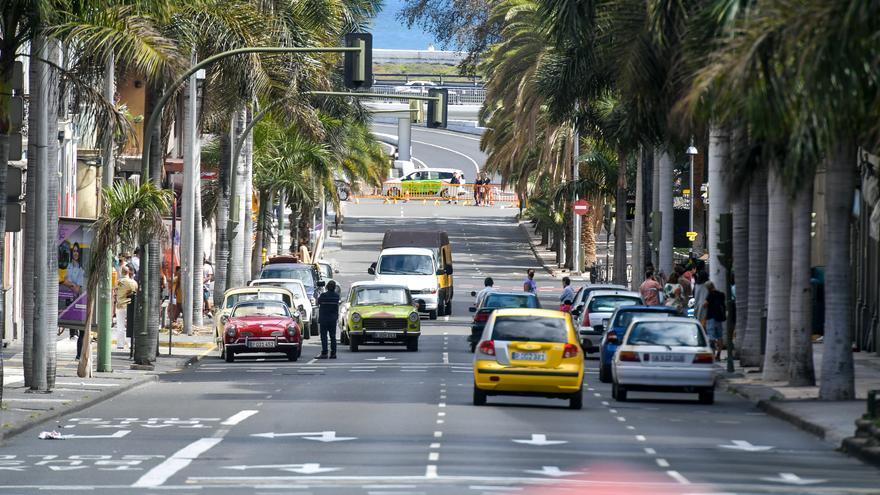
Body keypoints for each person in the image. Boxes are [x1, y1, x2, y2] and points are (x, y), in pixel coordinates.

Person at [115, 264, 138, 350]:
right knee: (131, 325)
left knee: (120, 326)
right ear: (129, 272)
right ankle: (131, 343)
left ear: (121, 272)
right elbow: (136, 292)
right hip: (130, 306)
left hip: (120, 306)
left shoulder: (118, 282)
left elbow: (115, 292)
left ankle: (120, 344)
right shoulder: (133, 282)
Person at [316, 280, 340, 359]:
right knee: (333, 336)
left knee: (324, 336)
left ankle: (324, 353)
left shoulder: (323, 295)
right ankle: (333, 353)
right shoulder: (336, 296)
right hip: (333, 319)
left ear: (327, 287)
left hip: (324, 319)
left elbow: (317, 302)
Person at [703, 281, 726, 358]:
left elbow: (705, 304)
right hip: (719, 317)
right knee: (720, 336)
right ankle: (718, 354)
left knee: (711, 336)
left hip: (711, 317)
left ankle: (713, 353)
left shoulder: (710, 295)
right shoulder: (721, 294)